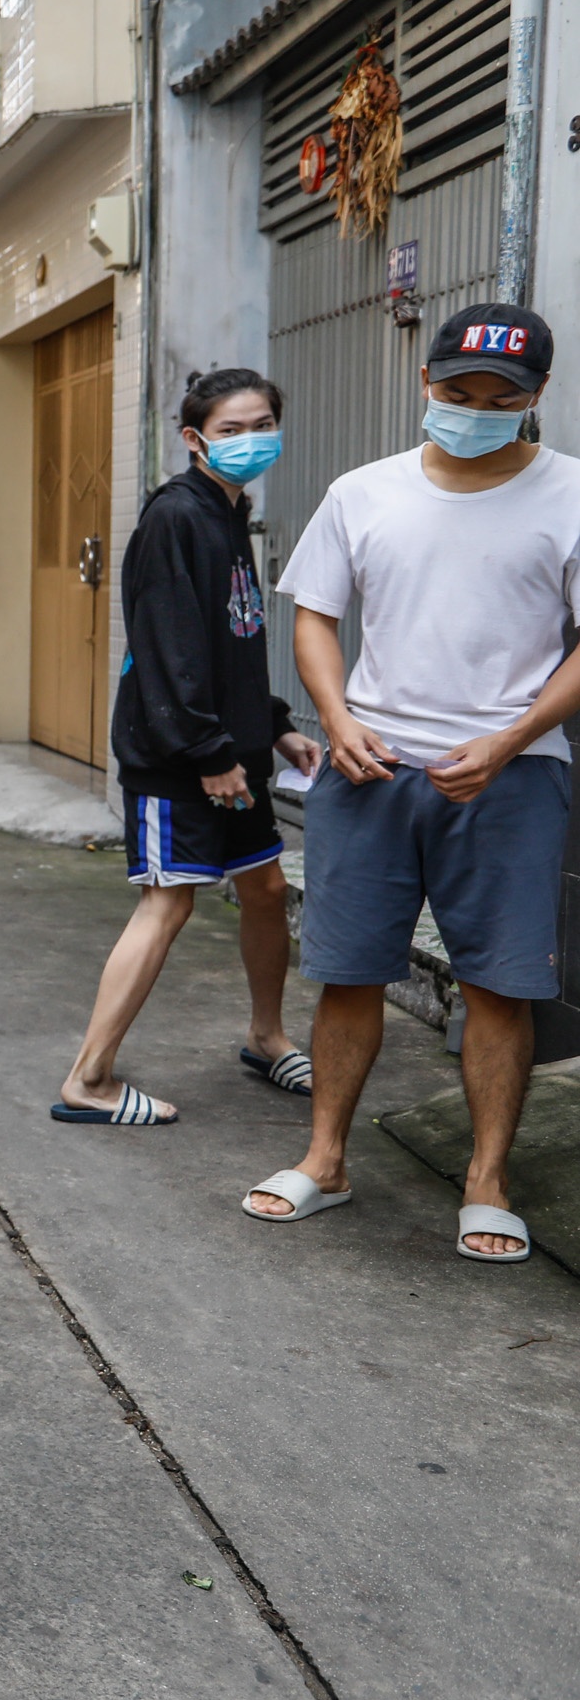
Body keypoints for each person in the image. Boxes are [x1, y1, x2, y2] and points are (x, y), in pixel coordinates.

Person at [249, 305, 580, 1263]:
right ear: (424, 380)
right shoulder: (364, 493)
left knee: (498, 984)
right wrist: (340, 722)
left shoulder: (568, 494)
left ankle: (487, 1182)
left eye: (498, 399)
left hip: (512, 778)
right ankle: (325, 1159)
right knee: (349, 972)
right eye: (455, 391)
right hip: (371, 766)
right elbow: (314, 617)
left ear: (536, 399)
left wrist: (513, 738)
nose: (473, 411)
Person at [59, 370, 325, 1126]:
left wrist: (272, 723)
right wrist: (209, 753)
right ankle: (89, 1078)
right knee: (168, 903)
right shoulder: (176, 517)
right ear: (194, 438)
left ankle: (266, 1037)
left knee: (266, 889)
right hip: (179, 759)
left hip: (230, 753)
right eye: (232, 430)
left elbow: (231, 641)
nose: (251, 440)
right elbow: (169, 643)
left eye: (262, 424)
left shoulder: (228, 514)